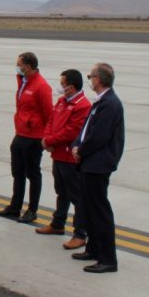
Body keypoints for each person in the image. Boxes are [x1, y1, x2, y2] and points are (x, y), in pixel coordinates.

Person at [71, 63, 125, 274]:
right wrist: (78, 144)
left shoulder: (110, 104)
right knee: (90, 209)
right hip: (89, 162)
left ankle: (108, 259)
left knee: (100, 212)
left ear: (98, 80)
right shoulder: (102, 101)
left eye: (90, 76)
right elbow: (86, 129)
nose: (89, 79)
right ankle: (93, 249)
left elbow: (99, 137)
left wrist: (80, 150)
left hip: (97, 164)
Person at [36, 69, 92, 250]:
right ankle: (58, 223)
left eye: (62, 83)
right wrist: (46, 138)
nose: (60, 87)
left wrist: (50, 140)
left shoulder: (82, 106)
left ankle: (80, 233)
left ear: (71, 86)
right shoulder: (61, 101)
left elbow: (72, 131)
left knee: (77, 196)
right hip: (58, 154)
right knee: (61, 191)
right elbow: (51, 121)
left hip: (69, 157)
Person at [0, 52, 53, 223]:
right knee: (17, 172)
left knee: (33, 174)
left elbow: (48, 114)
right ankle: (15, 206)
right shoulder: (23, 81)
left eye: (19, 64)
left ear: (28, 66)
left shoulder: (41, 86)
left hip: (34, 137)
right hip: (20, 134)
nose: (17, 66)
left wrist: (46, 137)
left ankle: (32, 210)